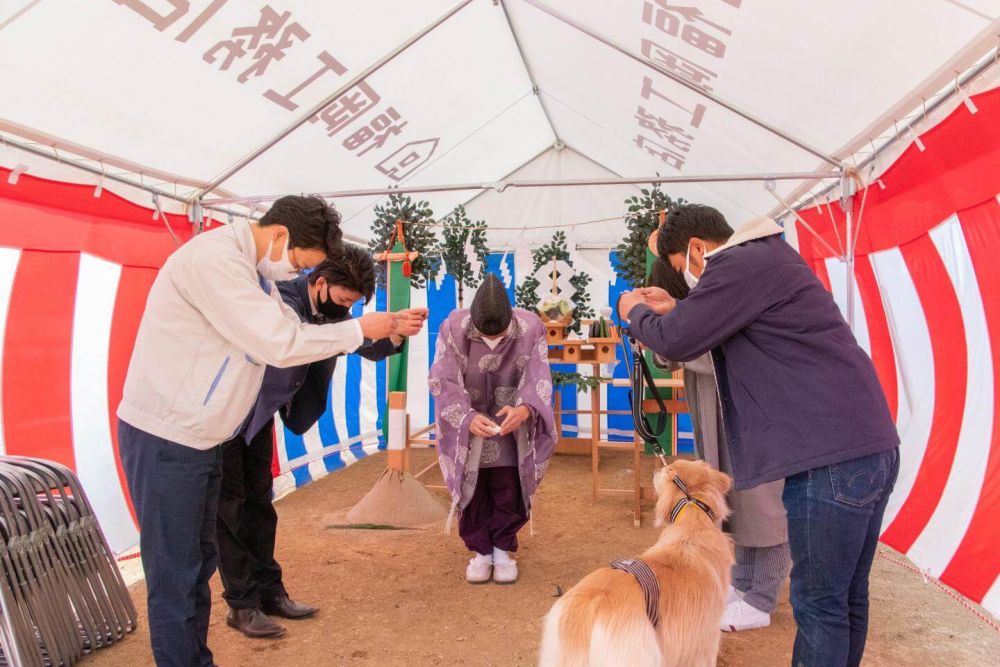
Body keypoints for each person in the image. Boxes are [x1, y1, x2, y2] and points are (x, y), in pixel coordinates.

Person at [117, 195, 426, 667]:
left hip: (204, 439)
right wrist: (362, 327)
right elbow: (281, 343)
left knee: (198, 564)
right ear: (280, 236)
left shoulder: (252, 271)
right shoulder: (215, 262)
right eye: (302, 262)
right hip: (168, 438)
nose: (297, 274)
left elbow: (294, 331)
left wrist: (369, 331)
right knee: (176, 575)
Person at [618, 205, 899, 667]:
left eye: (678, 269)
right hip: (866, 445)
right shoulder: (767, 259)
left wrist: (636, 313)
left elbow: (675, 342)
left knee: (820, 606)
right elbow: (708, 320)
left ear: (695, 249)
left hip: (829, 458)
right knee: (845, 597)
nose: (686, 280)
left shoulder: (736, 264)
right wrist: (677, 308)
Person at [217, 246, 417, 639]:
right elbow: (299, 339)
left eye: (353, 305)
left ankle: (271, 593)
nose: (347, 310)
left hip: (258, 418)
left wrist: (392, 333)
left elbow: (357, 340)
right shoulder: (281, 299)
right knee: (231, 511)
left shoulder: (334, 311)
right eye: (344, 300)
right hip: (226, 417)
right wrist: (359, 327)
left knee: (260, 504)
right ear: (320, 282)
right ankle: (241, 605)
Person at [647, 259, 791, 632]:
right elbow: (672, 355)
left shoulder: (730, 294)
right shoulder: (697, 307)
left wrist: (669, 332)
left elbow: (718, 357)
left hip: (755, 415)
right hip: (720, 414)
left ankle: (763, 598)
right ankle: (743, 585)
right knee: (734, 500)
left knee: (765, 503)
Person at [429, 274, 556, 584]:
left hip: (511, 424)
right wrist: (466, 416)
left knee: (508, 484)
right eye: (486, 336)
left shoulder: (530, 328)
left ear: (510, 322)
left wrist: (526, 409)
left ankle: (502, 550)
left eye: (499, 336)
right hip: (468, 424)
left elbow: (539, 375)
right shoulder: (452, 329)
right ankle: (481, 553)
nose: (493, 343)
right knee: (474, 489)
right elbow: (442, 379)